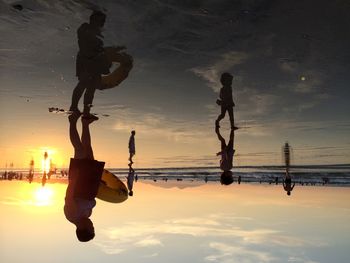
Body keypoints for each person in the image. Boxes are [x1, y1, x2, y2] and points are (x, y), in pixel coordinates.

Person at [69, 10, 125, 120]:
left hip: (96, 63)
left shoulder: (96, 32)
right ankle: (74, 107)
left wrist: (111, 51)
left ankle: (86, 112)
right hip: (87, 61)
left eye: (104, 21)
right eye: (101, 20)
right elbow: (86, 47)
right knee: (83, 84)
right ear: (93, 19)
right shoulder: (85, 28)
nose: (103, 23)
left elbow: (98, 49)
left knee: (92, 87)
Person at [64, 112, 105, 242]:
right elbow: (91, 195)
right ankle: (85, 123)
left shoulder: (72, 216)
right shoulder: (87, 214)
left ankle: (72, 121)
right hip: (90, 179)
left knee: (79, 150)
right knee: (88, 149)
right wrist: (100, 184)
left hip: (78, 179)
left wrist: (74, 179)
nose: (93, 225)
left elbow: (69, 196)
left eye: (91, 228)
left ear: (82, 229)